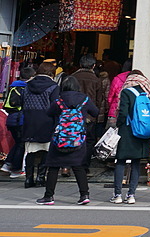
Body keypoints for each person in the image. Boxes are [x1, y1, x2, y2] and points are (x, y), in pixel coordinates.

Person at [36, 76, 98, 205]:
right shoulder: (84, 99)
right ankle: (84, 195)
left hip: (60, 139)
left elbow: (49, 113)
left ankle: (49, 196)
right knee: (78, 167)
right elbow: (95, 112)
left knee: (53, 167)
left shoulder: (59, 100)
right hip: (78, 139)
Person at [111, 70, 150, 204]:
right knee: (136, 163)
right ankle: (131, 195)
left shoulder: (126, 92)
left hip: (127, 131)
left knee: (121, 162)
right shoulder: (148, 92)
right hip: (143, 132)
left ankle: (117, 195)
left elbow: (122, 112)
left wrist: (118, 125)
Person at [21, 62, 61, 188]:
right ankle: (40, 177)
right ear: (52, 73)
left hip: (29, 120)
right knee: (45, 150)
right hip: (46, 120)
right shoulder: (54, 86)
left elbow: (22, 101)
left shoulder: (27, 85)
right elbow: (55, 106)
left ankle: (28, 179)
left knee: (30, 151)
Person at [1, 66, 36, 178]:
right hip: (20, 120)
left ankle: (7, 164)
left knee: (18, 143)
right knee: (21, 144)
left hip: (11, 119)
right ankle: (16, 169)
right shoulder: (27, 88)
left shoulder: (13, 87)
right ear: (31, 77)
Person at [72, 54, 103, 169]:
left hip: (73, 114)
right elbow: (99, 99)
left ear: (80, 64)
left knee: (73, 137)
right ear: (94, 66)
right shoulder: (96, 80)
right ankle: (84, 165)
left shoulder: (73, 77)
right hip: (89, 115)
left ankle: (71, 164)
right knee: (89, 140)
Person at [107, 60, 132, 127]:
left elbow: (110, 97)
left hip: (114, 112)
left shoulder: (117, 79)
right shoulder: (135, 79)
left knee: (111, 135)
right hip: (130, 115)